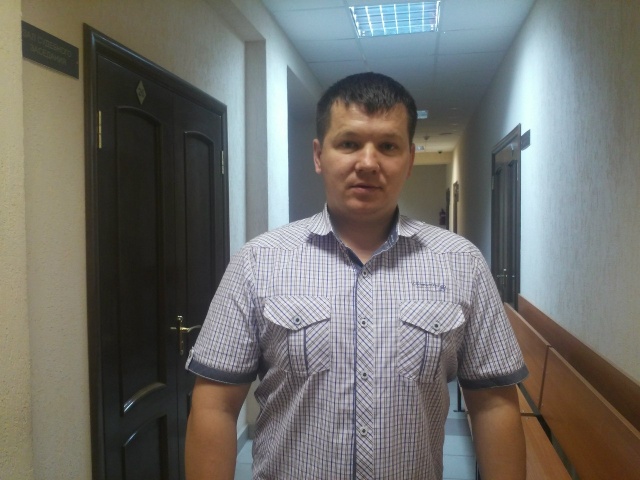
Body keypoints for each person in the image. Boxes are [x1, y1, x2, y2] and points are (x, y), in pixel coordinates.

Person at [185, 72, 528, 480]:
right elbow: (215, 406)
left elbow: (493, 405)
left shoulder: (462, 263)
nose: (367, 163)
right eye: (348, 143)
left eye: (388, 146)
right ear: (319, 155)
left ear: (410, 160)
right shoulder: (258, 262)